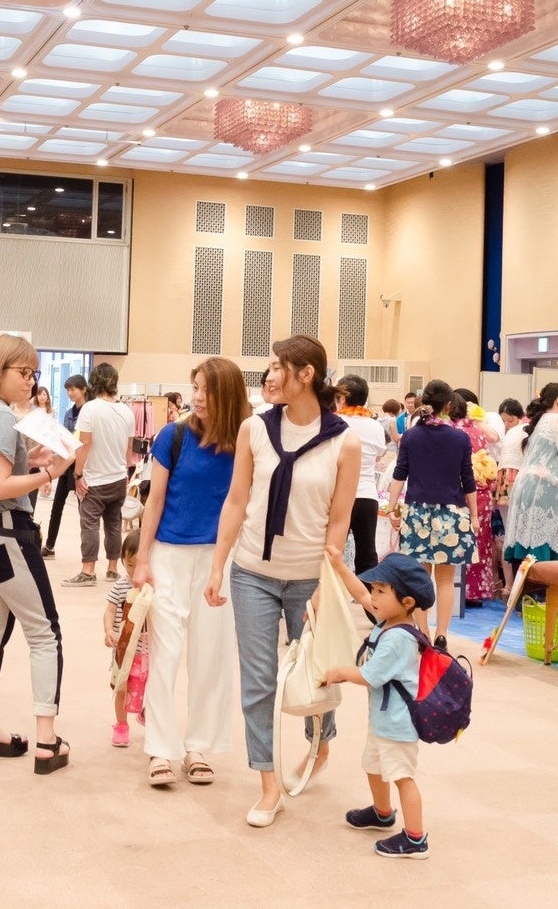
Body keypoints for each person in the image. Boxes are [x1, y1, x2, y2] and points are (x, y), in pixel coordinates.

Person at [206, 334, 357, 828]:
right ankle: (268, 785)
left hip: (309, 577)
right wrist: (218, 565)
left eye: (277, 367)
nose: (268, 376)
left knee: (316, 675)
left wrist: (327, 581)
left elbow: (339, 520)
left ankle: (320, 744)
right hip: (253, 573)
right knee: (258, 681)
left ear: (306, 374)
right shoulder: (254, 429)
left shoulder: (343, 441)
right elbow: (237, 500)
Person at [0, 334, 76, 775]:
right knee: (44, 632)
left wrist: (30, 461)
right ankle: (47, 740)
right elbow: (0, 485)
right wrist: (49, 472)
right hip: (6, 536)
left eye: (33, 374)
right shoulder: (2, 416)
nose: (30, 381)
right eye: (23, 372)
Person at [132, 356, 247, 788]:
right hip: (169, 554)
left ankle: (198, 745)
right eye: (195, 387)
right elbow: (155, 500)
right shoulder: (173, 435)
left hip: (219, 558)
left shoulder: (244, 440)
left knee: (211, 655)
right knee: (166, 651)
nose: (197, 397)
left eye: (207, 391)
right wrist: (142, 559)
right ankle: (161, 748)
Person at [324, 552, 437, 860]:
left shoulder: (398, 638)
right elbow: (360, 595)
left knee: (402, 776)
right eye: (373, 589)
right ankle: (382, 813)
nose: (372, 597)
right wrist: (340, 566)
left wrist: (338, 673)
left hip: (398, 725)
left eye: (381, 591)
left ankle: (416, 839)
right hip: (383, 720)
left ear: (407, 602)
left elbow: (368, 676)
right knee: (373, 766)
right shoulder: (388, 620)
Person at [387, 380, 476, 652]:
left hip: (417, 514)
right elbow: (468, 480)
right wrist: (474, 515)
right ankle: (442, 634)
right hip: (452, 514)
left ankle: (423, 632)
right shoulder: (460, 438)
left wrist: (392, 508)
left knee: (420, 578)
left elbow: (399, 474)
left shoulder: (411, 436)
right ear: (449, 404)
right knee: (446, 580)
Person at [65, 362, 134, 587]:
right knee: (114, 524)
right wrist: (125, 474)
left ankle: (88, 571)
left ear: (94, 382)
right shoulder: (127, 411)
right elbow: (129, 449)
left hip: (95, 480)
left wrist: (78, 475)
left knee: (90, 524)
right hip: (118, 478)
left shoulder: (90, 409)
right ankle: (113, 569)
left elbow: (84, 444)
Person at [502, 383, 558, 565]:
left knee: (526, 543)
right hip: (543, 487)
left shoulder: (540, 420)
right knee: (540, 543)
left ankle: (522, 583)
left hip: (526, 485)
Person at [454, 388, 500, 604]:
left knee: (456, 540)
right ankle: (475, 592)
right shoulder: (478, 431)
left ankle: (455, 591)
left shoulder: (451, 430)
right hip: (480, 492)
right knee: (479, 541)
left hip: (457, 491)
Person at [337, 374, 386, 576]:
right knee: (367, 554)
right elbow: (379, 456)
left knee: (333, 552)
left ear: (342, 397)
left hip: (339, 496)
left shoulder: (335, 423)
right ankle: (370, 596)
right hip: (367, 495)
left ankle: (332, 594)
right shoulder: (375, 426)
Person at [42, 373, 88, 558]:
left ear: (83, 389)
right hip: (66, 463)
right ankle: (49, 546)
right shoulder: (69, 413)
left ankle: (87, 553)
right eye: (68, 390)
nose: (70, 393)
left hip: (81, 466)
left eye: (73, 389)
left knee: (84, 511)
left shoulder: (89, 412)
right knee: (57, 507)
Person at [104, 542, 144, 749]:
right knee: (121, 688)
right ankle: (121, 725)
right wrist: (109, 631)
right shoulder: (120, 586)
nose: (134, 571)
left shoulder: (153, 587)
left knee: (149, 685)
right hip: (123, 648)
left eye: (139, 564)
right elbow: (110, 611)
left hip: (147, 650)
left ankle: (146, 711)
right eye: (129, 565)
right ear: (122, 562)